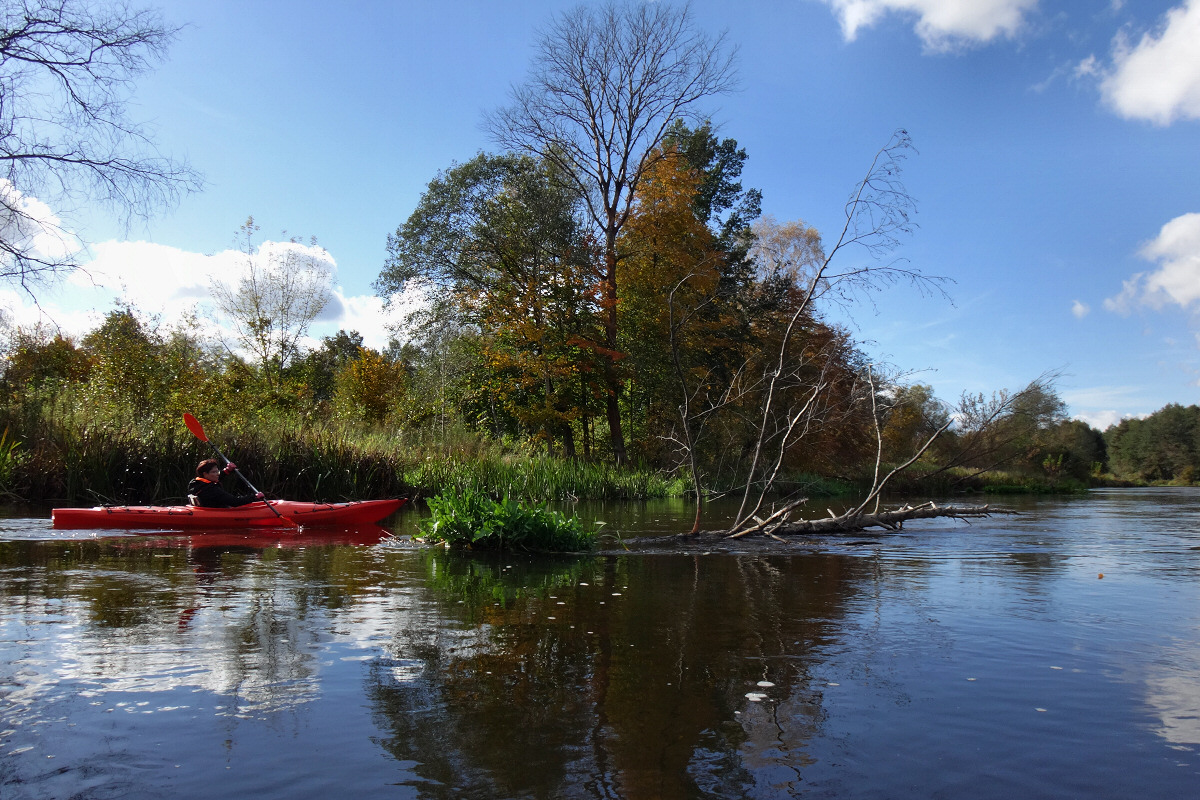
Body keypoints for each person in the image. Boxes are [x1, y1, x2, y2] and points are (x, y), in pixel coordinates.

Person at [187, 458, 265, 508]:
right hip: (216, 512)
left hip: (207, 508)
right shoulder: (212, 490)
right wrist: (254, 497)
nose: (217, 474)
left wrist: (226, 471)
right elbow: (235, 502)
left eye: (217, 471)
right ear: (205, 474)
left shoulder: (195, 483)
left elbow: (214, 478)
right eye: (214, 472)